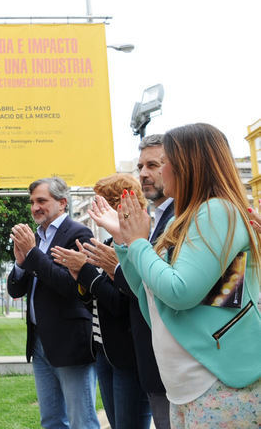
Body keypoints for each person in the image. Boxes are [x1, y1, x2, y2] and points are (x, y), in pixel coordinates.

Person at [90, 123, 261, 428]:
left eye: (164, 162)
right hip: (188, 384)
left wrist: (139, 242)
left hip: (217, 379)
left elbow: (180, 293)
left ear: (188, 164)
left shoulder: (218, 211)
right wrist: (126, 242)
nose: (154, 172)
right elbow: (150, 296)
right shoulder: (184, 221)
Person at [83, 134, 173, 429]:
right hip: (113, 349)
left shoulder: (168, 221)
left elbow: (152, 290)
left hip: (142, 355)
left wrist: (103, 271)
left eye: (153, 165)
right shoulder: (145, 225)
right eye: (140, 167)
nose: (144, 173)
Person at [50, 173, 151, 429]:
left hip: (127, 354)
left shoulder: (136, 244)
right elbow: (94, 299)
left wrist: (85, 271)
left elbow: (120, 300)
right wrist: (80, 276)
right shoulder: (108, 242)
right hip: (104, 350)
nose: (96, 210)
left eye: (101, 202)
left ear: (119, 204)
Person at [7, 177, 99, 429]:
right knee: (51, 421)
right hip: (39, 342)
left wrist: (33, 253)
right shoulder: (34, 238)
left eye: (41, 201)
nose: (35, 207)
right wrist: (20, 262)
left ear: (62, 203)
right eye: (32, 202)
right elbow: (15, 289)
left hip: (70, 342)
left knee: (82, 420)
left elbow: (72, 288)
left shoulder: (79, 233)